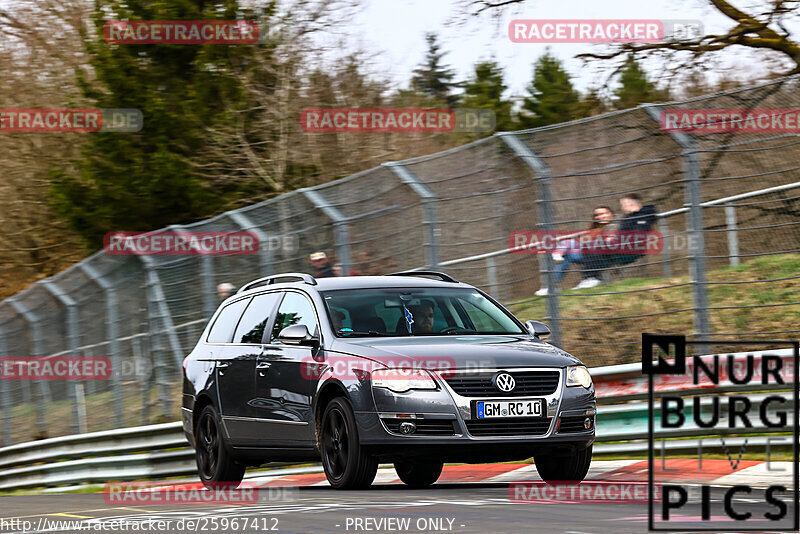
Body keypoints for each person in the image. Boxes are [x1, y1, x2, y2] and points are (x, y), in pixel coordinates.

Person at [574, 193, 658, 288]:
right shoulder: (627, 218)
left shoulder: (643, 215)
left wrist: (616, 241)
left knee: (591, 246)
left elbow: (638, 235)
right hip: (620, 246)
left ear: (630, 204)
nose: (622, 208)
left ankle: (592, 279)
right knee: (591, 248)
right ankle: (591, 279)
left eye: (623, 205)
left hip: (630, 249)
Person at [534, 206, 615, 296]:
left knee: (568, 244)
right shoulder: (593, 230)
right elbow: (580, 242)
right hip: (586, 252)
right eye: (597, 215)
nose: (600, 216)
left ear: (610, 214)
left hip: (599, 253)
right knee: (567, 252)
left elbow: (610, 241)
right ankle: (551, 286)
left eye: (603, 213)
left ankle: (556, 254)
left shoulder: (612, 226)